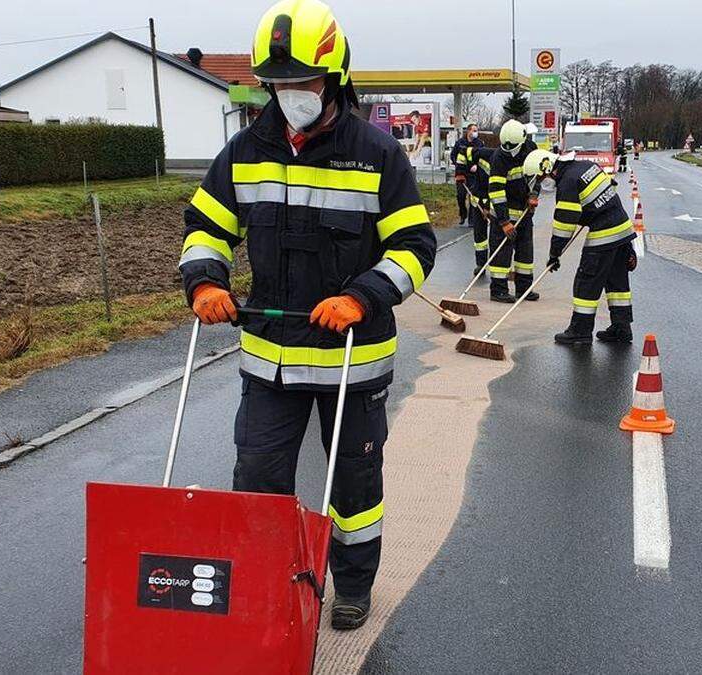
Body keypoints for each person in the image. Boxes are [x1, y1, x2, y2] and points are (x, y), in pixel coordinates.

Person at [178, 0, 436, 631]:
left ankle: (350, 583)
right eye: (281, 83)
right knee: (259, 480)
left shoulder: (377, 154)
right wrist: (205, 281)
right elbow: (205, 229)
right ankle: (268, 582)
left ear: (335, 79)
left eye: (304, 82)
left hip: (353, 360)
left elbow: (415, 246)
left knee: (354, 487)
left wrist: (364, 296)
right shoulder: (242, 151)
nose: (292, 94)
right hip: (270, 362)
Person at [522, 149, 637, 345]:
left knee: (586, 282)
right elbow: (601, 199)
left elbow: (564, 225)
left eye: (541, 178)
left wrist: (554, 254)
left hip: (604, 234)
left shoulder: (568, 182)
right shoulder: (585, 167)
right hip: (622, 230)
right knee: (617, 283)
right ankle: (622, 328)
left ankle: (580, 332)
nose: (542, 183)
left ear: (547, 167)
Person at [487, 119, 539, 303]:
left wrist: (533, 194)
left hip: (524, 212)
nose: (510, 150)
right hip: (503, 215)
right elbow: (496, 192)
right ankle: (498, 290)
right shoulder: (499, 158)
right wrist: (504, 221)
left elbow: (536, 174)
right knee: (502, 254)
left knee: (525, 252)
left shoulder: (531, 149)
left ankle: (524, 289)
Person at [465, 145, 495, 274]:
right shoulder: (478, 157)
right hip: (477, 200)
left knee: (496, 235)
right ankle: (481, 264)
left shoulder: (499, 164)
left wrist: (488, 207)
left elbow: (495, 189)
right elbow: (461, 153)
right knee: (479, 235)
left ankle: (496, 263)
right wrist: (459, 173)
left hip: (495, 203)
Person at [450, 123, 483, 225]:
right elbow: (453, 155)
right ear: (468, 131)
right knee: (460, 195)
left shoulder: (479, 143)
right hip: (461, 173)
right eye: (474, 130)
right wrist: (458, 165)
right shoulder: (460, 143)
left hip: (473, 174)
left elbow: (482, 156)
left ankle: (471, 220)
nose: (475, 133)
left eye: (476, 131)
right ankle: (463, 214)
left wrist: (477, 166)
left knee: (472, 197)